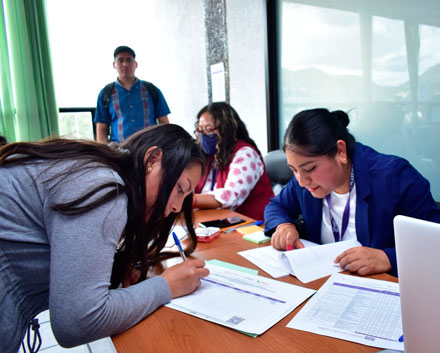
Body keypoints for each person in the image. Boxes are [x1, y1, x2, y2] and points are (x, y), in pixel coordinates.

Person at [0, 124, 209, 353]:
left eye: (186, 196)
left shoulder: (96, 170)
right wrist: (165, 286)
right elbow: (76, 323)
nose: (177, 206)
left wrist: (113, 270)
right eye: (180, 189)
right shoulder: (102, 186)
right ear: (153, 159)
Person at [264, 108, 440, 277]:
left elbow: (438, 246)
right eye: (293, 170)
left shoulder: (395, 178)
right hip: (324, 278)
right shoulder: (305, 181)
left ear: (340, 152)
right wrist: (283, 226)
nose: (302, 181)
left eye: (310, 168)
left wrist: (388, 258)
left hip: (380, 286)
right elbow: (276, 206)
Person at [193, 102, 274, 220]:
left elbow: (230, 196)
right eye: (200, 130)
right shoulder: (208, 157)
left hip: (252, 227)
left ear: (226, 129)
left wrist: (190, 201)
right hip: (216, 223)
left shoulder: (246, 154)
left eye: (209, 130)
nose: (203, 136)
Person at [94, 46, 171, 143]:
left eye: (129, 60)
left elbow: (164, 122)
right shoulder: (106, 93)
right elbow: (101, 126)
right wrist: (104, 153)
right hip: (119, 151)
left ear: (136, 64)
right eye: (120, 60)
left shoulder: (151, 90)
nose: (125, 64)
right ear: (114, 64)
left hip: (150, 147)